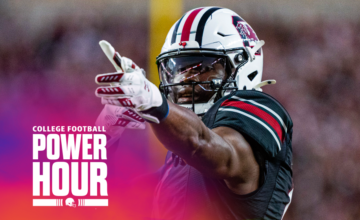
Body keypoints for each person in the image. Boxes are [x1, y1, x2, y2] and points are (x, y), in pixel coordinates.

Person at [95, 7, 293, 220]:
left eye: (204, 67)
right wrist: (103, 136)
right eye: (179, 70)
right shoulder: (180, 160)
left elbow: (206, 146)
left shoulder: (258, 109)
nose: (185, 81)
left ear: (243, 66)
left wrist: (155, 104)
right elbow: (116, 200)